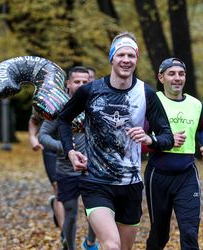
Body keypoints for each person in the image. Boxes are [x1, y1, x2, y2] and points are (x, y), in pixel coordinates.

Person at [57, 32, 174, 250]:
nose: (126, 60)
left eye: (131, 55)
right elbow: (63, 119)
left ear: (136, 60)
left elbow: (167, 137)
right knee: (111, 245)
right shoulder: (90, 91)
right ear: (112, 58)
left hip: (130, 184)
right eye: (121, 54)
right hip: (95, 181)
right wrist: (70, 151)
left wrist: (150, 138)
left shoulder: (147, 93)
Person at [144, 58, 203, 250]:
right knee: (159, 235)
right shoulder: (153, 102)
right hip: (158, 175)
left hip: (186, 174)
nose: (177, 78)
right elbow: (141, 138)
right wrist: (163, 141)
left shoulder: (196, 104)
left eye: (181, 74)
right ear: (161, 77)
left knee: (190, 232)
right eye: (171, 74)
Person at [39, 66, 98, 250]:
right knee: (71, 213)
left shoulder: (96, 106)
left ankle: (90, 242)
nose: (81, 85)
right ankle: (70, 247)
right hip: (67, 170)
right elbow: (43, 136)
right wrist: (64, 148)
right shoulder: (59, 107)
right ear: (69, 83)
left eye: (85, 82)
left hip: (93, 168)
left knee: (96, 211)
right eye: (77, 82)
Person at [28, 109, 65, 242]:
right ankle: (64, 234)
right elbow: (35, 119)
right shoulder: (48, 95)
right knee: (58, 188)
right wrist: (32, 137)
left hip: (76, 146)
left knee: (74, 194)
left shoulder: (84, 92)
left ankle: (56, 208)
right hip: (51, 148)